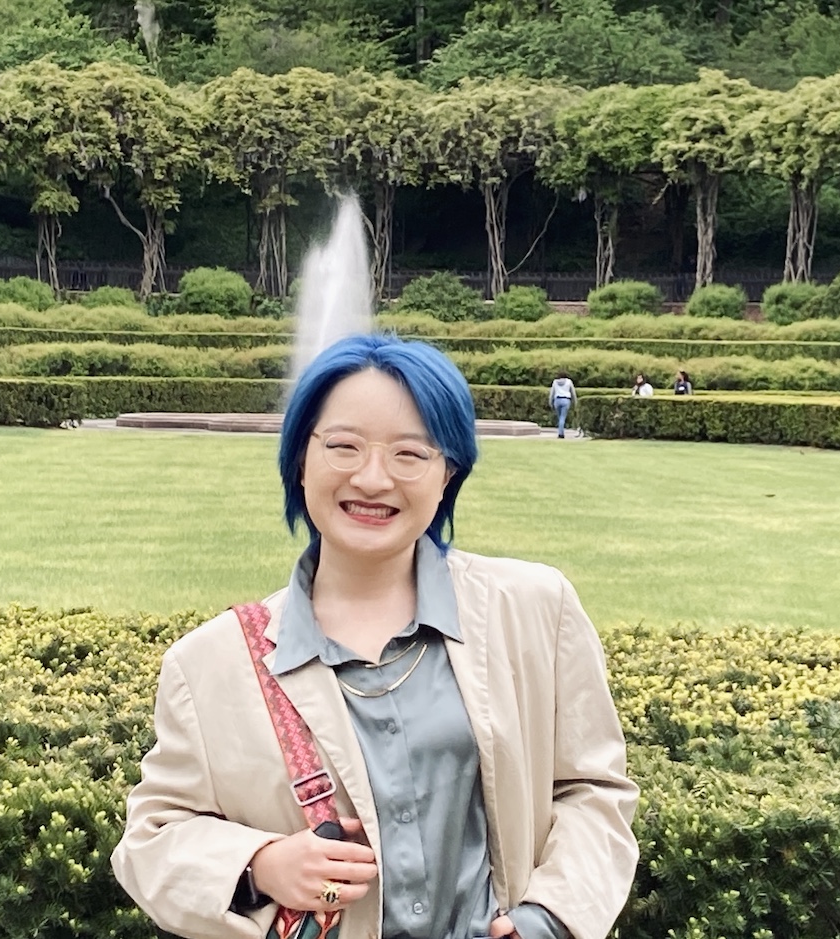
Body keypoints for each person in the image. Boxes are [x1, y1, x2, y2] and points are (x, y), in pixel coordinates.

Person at [111, 334, 639, 939]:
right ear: (300, 461)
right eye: (343, 446)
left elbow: (593, 791)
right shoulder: (210, 663)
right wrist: (259, 865)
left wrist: (546, 919)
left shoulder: (534, 610)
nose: (371, 478)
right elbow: (153, 840)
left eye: (410, 454)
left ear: (448, 473)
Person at [548, 371, 578, 438]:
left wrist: (550, 402)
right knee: (563, 417)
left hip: (557, 400)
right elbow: (573, 392)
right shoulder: (569, 382)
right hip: (566, 400)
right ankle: (561, 434)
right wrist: (575, 402)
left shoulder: (555, 382)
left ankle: (560, 432)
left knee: (560, 417)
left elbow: (552, 393)